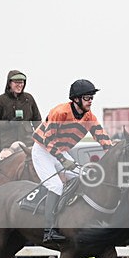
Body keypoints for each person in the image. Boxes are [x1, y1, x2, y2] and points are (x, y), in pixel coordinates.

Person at [32, 79, 111, 243]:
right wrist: (62, 159)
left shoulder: (89, 116)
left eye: (91, 98)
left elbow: (101, 136)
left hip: (61, 151)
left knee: (81, 177)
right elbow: (48, 141)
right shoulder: (59, 112)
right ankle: (49, 229)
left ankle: (72, 219)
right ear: (76, 99)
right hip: (42, 150)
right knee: (56, 185)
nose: (90, 101)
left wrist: (111, 150)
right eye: (87, 98)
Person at [0, 70, 42, 156]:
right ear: (9, 83)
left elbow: (37, 120)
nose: (20, 85)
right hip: (8, 145)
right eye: (17, 82)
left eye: (22, 82)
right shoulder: (0, 100)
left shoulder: (29, 99)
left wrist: (41, 140)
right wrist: (9, 124)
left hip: (28, 143)